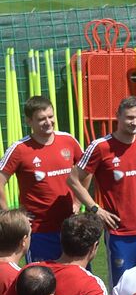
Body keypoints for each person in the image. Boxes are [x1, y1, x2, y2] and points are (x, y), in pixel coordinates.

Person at [69, 96, 136, 283]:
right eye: (130, 117)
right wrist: (95, 208)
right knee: (122, 289)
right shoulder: (100, 147)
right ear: (118, 117)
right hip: (119, 232)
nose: (135, 122)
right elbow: (72, 179)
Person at [0, 96, 80, 262]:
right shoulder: (20, 149)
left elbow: (85, 171)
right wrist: (9, 215)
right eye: (41, 119)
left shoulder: (68, 141)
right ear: (29, 121)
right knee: (41, 280)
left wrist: (78, 202)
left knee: (76, 278)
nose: (48, 122)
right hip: (38, 231)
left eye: (51, 116)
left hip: (71, 227)